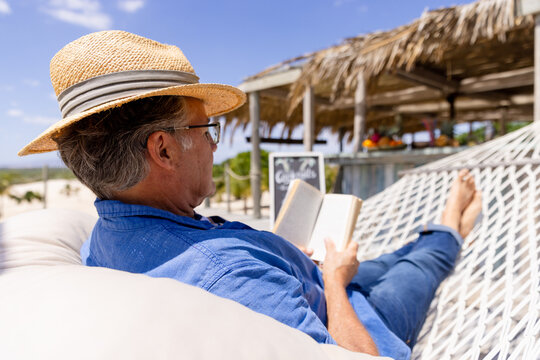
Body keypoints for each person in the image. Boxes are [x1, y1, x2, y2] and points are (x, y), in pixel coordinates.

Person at [19, 31, 482, 360]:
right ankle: (450, 227)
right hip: (353, 311)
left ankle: (427, 235)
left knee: (392, 255)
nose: (214, 145)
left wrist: (283, 258)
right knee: (422, 264)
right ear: (162, 149)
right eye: (206, 130)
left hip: (304, 274)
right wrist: (338, 283)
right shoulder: (226, 276)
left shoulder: (103, 240)